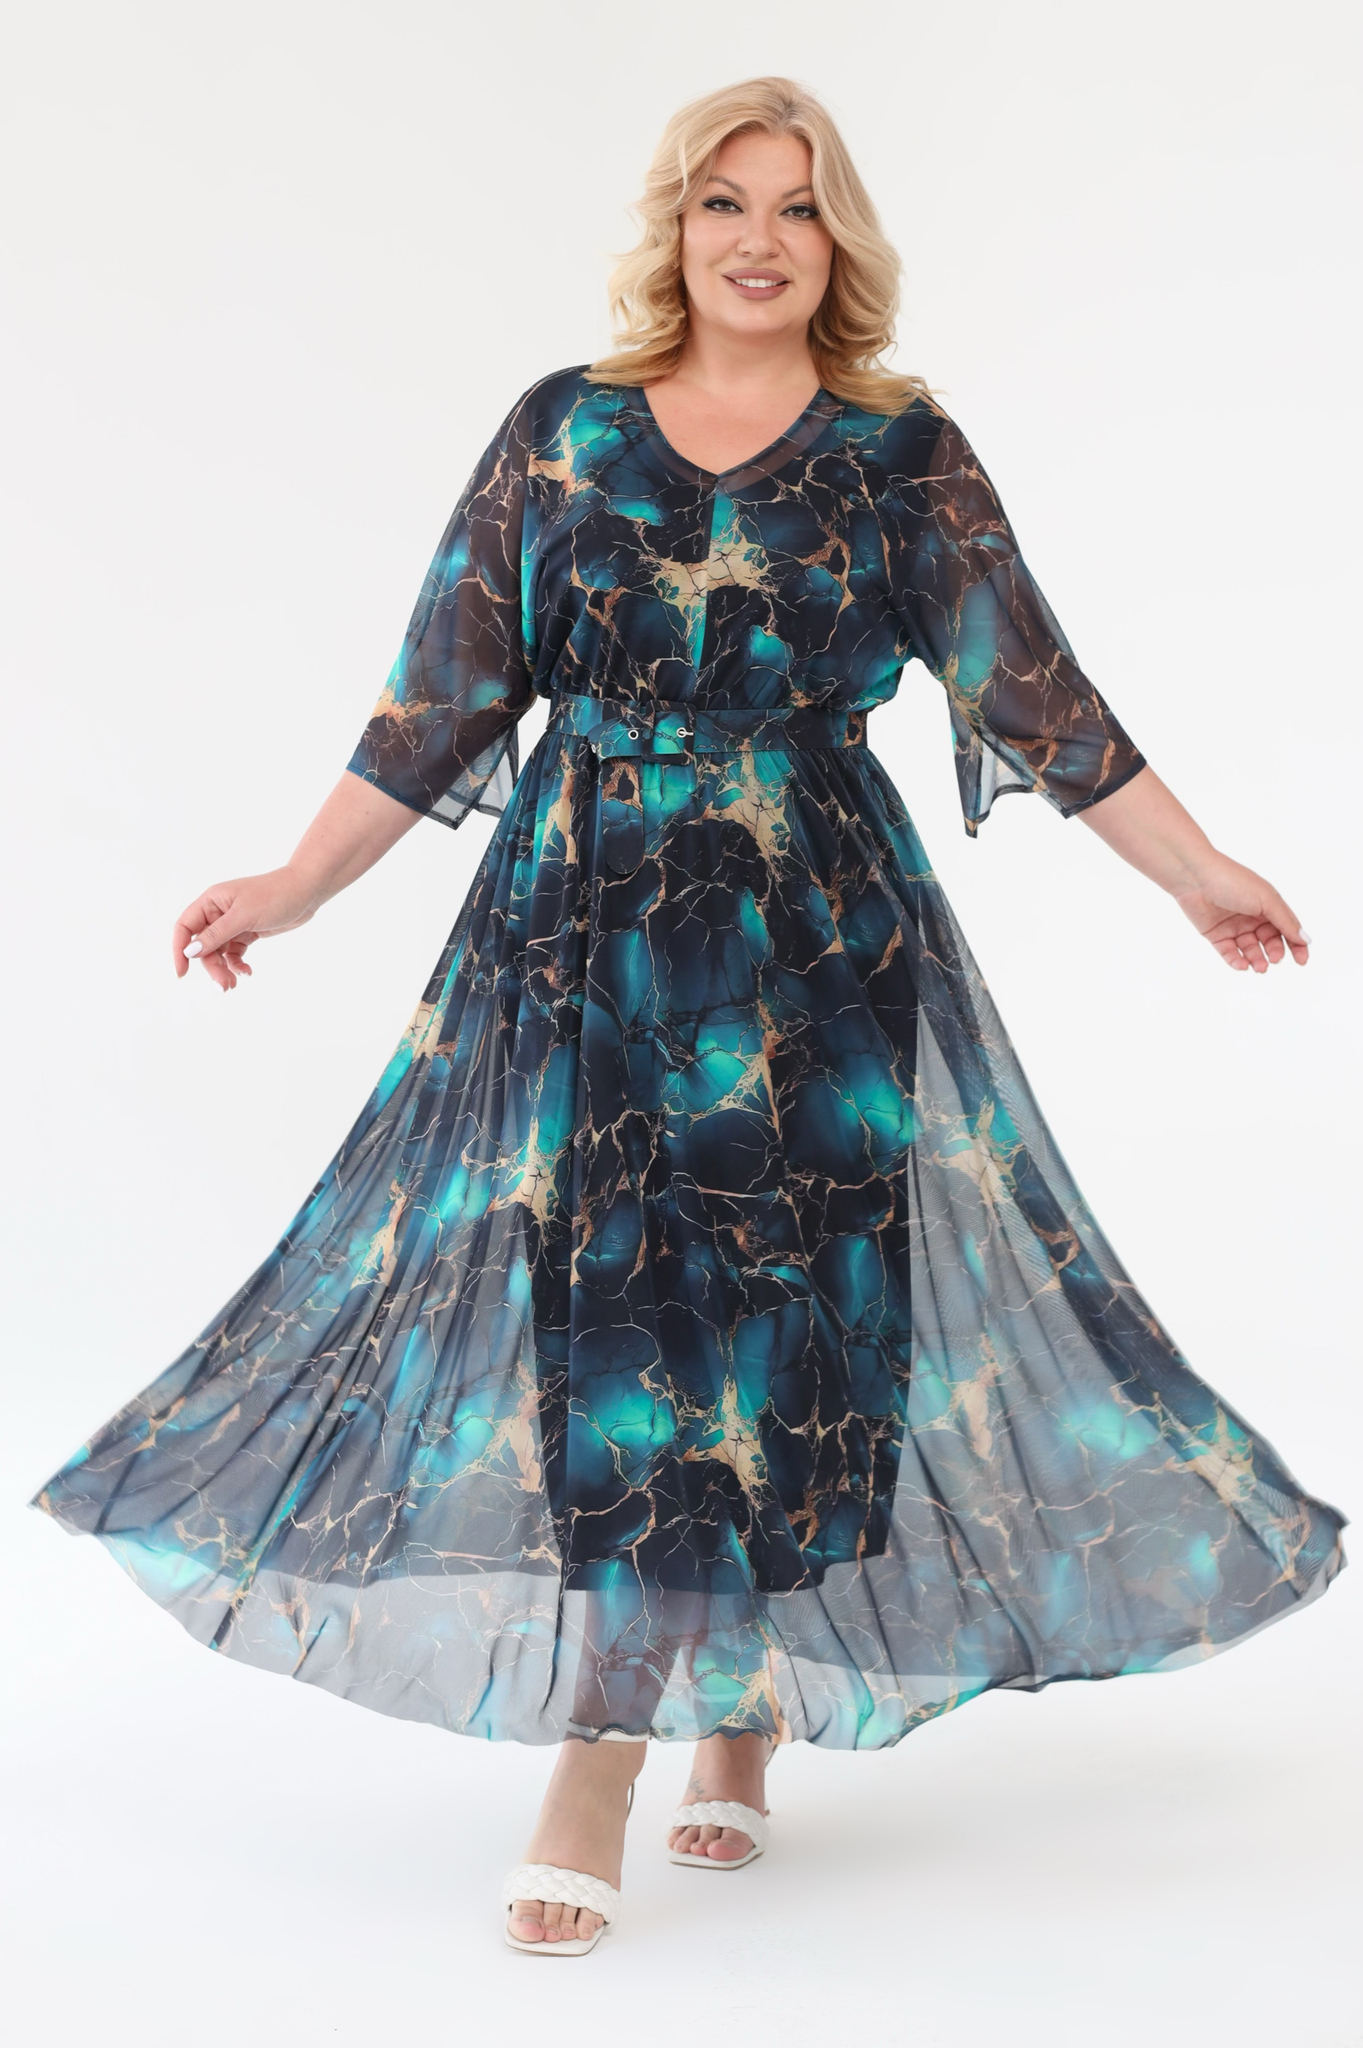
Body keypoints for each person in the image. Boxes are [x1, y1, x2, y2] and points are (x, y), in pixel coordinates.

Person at [33, 76, 1345, 1959]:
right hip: (591, 936)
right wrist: (296, 885)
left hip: (821, 940)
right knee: (626, 1316)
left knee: (804, 1313)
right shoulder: (562, 431)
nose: (758, 239)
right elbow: (442, 691)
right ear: (674, 227)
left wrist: (1199, 871)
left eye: (797, 208)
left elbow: (1037, 694)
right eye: (725, 201)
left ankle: (737, 1705)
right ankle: (601, 1750)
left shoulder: (898, 452)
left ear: (839, 240)